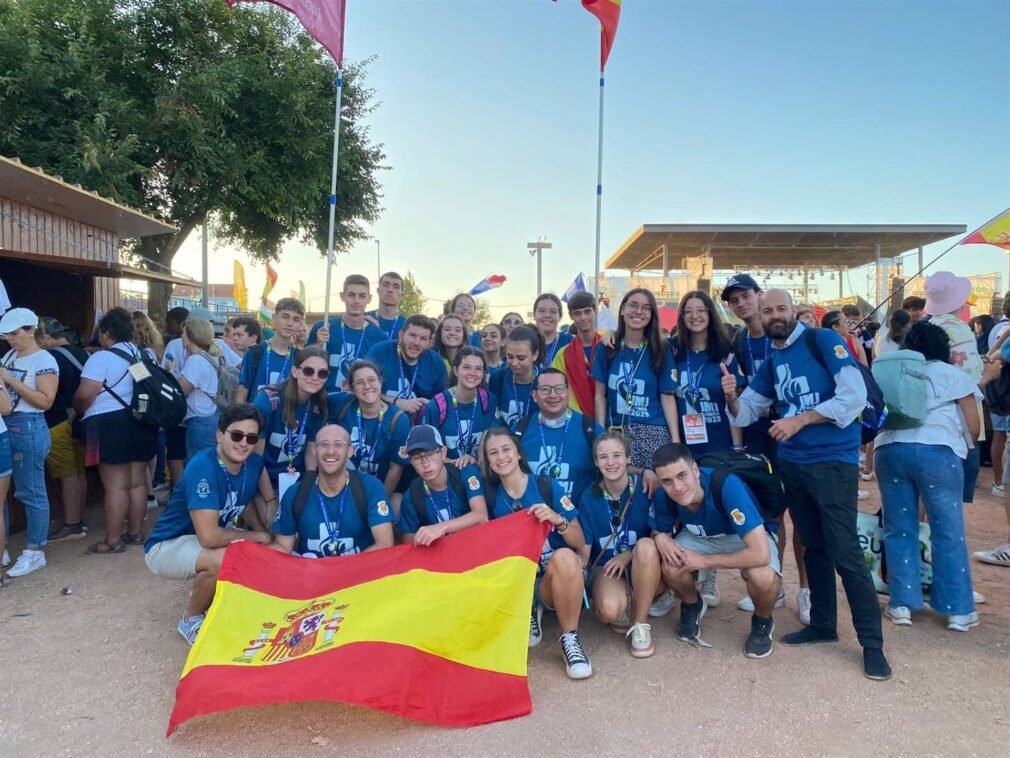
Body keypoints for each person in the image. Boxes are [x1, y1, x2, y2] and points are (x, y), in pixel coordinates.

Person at [724, 289, 891, 681]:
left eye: (781, 308)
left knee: (844, 550)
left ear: (794, 311)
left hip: (833, 463)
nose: (775, 315)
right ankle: (822, 624)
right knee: (813, 546)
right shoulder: (774, 357)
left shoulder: (824, 341)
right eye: (768, 311)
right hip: (793, 466)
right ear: (761, 318)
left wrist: (799, 420)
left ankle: (872, 645)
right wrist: (731, 398)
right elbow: (750, 409)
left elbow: (853, 398)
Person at [875, 321, 980, 632]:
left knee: (899, 528)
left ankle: (902, 604)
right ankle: (957, 610)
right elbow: (973, 426)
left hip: (891, 450)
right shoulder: (954, 375)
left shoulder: (893, 372)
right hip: (939, 452)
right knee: (947, 530)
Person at [145, 404, 274, 645]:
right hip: (167, 545)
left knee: (257, 552)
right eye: (236, 435)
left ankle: (221, 606)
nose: (243, 443)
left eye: (251, 437)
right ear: (219, 435)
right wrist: (257, 537)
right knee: (226, 559)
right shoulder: (203, 467)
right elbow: (209, 537)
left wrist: (264, 533)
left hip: (198, 542)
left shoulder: (253, 463)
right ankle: (190, 619)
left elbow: (243, 503)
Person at [647, 443, 782, 658]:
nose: (677, 487)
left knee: (763, 576)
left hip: (742, 537)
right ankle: (692, 604)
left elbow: (760, 554)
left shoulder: (727, 486)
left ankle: (763, 621)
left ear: (695, 470)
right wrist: (660, 537)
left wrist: (705, 561)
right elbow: (657, 529)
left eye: (682, 475)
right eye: (667, 481)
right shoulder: (665, 495)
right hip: (700, 537)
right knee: (670, 564)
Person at [481, 427, 592, 680]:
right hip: (516, 584)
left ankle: (570, 640)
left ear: (518, 453)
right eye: (493, 453)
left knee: (565, 557)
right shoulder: (488, 496)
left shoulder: (544, 485)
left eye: (506, 449)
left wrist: (556, 519)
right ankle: (528, 609)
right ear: (488, 461)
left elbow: (578, 539)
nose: (501, 457)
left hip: (550, 580)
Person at [74, 307, 159, 554]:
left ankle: (112, 540)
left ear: (107, 333)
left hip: (108, 424)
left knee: (115, 486)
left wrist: (78, 412)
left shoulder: (100, 359)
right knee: (137, 483)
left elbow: (85, 395)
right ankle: (135, 533)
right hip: (142, 421)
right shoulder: (145, 355)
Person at [576, 431, 656, 657]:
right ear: (595, 462)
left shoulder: (646, 488)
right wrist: (576, 565)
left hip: (644, 562)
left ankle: (640, 624)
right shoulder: (588, 497)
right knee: (609, 611)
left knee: (647, 546)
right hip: (608, 568)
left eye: (617, 455)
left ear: (629, 458)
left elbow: (659, 536)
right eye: (603, 457)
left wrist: (628, 555)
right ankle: (628, 600)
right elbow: (585, 548)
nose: (611, 462)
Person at [272, 424, 395, 557]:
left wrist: (341, 569)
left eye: (338, 445)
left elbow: (385, 545)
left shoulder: (371, 487)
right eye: (323, 444)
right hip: (310, 573)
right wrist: (248, 549)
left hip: (358, 573)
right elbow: (283, 548)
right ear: (314, 451)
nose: (330, 451)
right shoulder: (295, 494)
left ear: (350, 451)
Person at [591, 288, 680, 472]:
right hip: (616, 432)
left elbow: (667, 396)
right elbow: (600, 396)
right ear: (622, 309)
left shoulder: (661, 349)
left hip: (652, 431)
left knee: (653, 491)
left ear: (651, 315)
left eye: (646, 308)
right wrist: (600, 434)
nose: (639, 311)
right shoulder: (607, 347)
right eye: (633, 305)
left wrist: (676, 441)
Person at [0, 308, 58, 576]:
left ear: (31, 330)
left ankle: (35, 551)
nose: (10, 339)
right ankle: (6, 547)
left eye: (14, 333)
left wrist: (9, 379)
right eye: (6, 334)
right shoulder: (12, 354)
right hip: (11, 425)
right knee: (8, 492)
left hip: (29, 424)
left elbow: (45, 401)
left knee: (30, 490)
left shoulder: (43, 359)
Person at [923, 272, 983, 505]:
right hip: (957, 421)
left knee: (921, 496)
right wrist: (988, 373)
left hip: (926, 416)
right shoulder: (959, 329)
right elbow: (970, 381)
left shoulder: (928, 325)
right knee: (948, 498)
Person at [672, 290, 744, 455]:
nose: (694, 315)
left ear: (710, 313)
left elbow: (733, 403)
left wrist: (738, 445)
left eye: (700, 310)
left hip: (720, 446)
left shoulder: (726, 353)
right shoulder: (672, 350)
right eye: (688, 311)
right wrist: (611, 335)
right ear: (682, 316)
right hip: (683, 449)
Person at [37, 317, 89, 542]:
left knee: (66, 475)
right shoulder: (83, 354)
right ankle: (78, 517)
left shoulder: (48, 358)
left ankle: (72, 524)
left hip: (57, 421)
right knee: (79, 471)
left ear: (46, 337)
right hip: (79, 419)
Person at [252, 347, 330, 495]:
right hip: (262, 479)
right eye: (308, 371)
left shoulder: (318, 405)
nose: (315, 377)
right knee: (271, 518)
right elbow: (255, 459)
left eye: (322, 373)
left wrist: (309, 488)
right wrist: (270, 500)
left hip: (296, 480)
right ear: (295, 371)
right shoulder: (268, 401)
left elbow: (310, 453)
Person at [518, 368, 603, 502]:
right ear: (535, 395)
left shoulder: (589, 428)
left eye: (559, 388)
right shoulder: (521, 429)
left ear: (568, 393)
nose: (553, 395)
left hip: (578, 518)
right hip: (532, 517)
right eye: (545, 389)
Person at [397, 424, 488, 544]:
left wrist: (441, 528)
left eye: (429, 455)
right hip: (441, 558)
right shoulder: (412, 496)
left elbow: (481, 516)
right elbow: (409, 546)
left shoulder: (464, 473)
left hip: (476, 546)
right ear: (410, 461)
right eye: (417, 458)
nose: (425, 464)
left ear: (443, 452)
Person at [330, 360, 410, 497]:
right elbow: (314, 396)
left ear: (380, 382)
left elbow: (395, 469)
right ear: (352, 388)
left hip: (378, 488)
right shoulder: (343, 404)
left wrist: (379, 501)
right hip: (344, 486)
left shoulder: (398, 419)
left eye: (372, 380)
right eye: (360, 382)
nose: (367, 386)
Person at [423, 347, 498, 463]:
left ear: (483, 374)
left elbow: (492, 443)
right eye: (466, 367)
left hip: (479, 470)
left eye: (478, 369)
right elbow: (427, 452)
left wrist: (476, 462)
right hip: (447, 471)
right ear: (456, 370)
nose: (472, 373)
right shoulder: (437, 405)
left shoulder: (489, 401)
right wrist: (456, 462)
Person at [365, 315, 447, 416]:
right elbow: (362, 390)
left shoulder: (435, 362)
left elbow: (443, 401)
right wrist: (396, 401)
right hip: (382, 419)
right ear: (401, 335)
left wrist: (431, 405)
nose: (417, 343)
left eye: (423, 339)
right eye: (412, 335)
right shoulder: (379, 353)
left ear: (429, 342)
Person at [237, 297, 305, 401]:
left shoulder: (299, 357)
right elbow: (241, 396)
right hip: (256, 415)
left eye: (296, 319)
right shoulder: (255, 353)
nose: (290, 323)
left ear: (300, 324)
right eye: (285, 317)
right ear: (274, 318)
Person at [174, 317, 222, 459]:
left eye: (184, 333)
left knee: (199, 466)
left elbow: (182, 389)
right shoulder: (211, 356)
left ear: (191, 336)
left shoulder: (196, 360)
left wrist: (171, 371)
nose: (181, 336)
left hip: (201, 421)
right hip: (213, 417)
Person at [552, 291, 600, 420]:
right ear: (571, 316)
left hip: (610, 419)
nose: (583, 317)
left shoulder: (610, 346)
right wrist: (580, 419)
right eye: (577, 313)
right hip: (578, 421)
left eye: (587, 311)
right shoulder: (563, 354)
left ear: (595, 311)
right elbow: (559, 388)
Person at [490, 325, 544, 430]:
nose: (514, 363)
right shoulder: (498, 377)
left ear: (535, 355)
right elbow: (493, 417)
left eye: (521, 358)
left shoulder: (546, 380)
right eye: (510, 357)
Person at [534, 293, 574, 368]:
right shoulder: (526, 341)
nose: (547, 315)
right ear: (534, 315)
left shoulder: (569, 340)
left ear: (560, 316)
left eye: (553, 311)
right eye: (542, 311)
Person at [365, 271, 407, 341]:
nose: (390, 290)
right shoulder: (364, 319)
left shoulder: (407, 325)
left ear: (402, 295)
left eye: (396, 287)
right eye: (385, 285)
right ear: (378, 290)